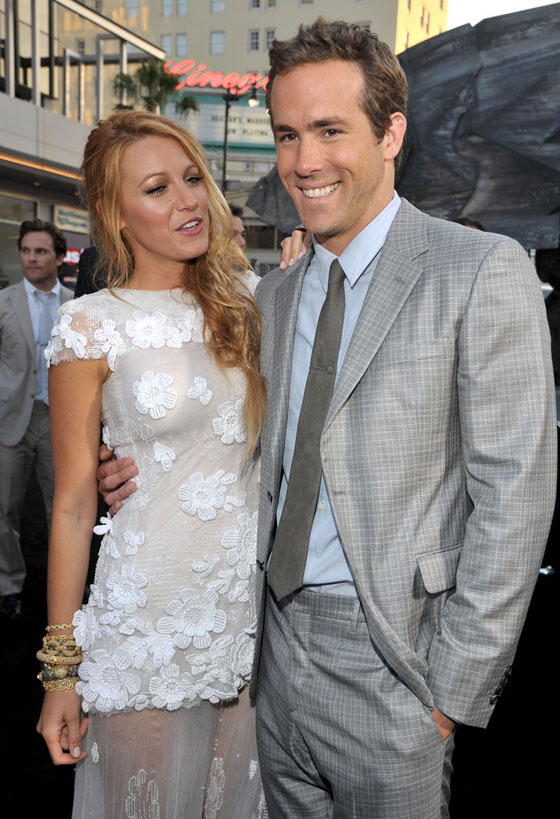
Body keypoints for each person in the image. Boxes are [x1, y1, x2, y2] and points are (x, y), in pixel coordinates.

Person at [99, 19, 556, 819]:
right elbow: (248, 448)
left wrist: (449, 690)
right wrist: (140, 472)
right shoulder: (273, 298)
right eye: (287, 134)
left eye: (330, 130)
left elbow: (515, 495)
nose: (304, 161)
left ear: (391, 134)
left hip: (395, 661)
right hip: (266, 652)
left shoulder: (479, 270)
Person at [36, 110, 267, 819]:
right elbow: (74, 503)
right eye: (157, 188)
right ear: (115, 214)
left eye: (192, 178)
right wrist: (60, 673)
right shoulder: (89, 323)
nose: (187, 200)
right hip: (149, 625)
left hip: (251, 624)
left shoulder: (253, 304)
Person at [0, 220, 72, 619]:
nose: (31, 258)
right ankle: (8, 585)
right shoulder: (4, 301)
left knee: (62, 509)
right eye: (26, 251)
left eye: (40, 251)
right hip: (11, 418)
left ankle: (64, 591)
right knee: (3, 510)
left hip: (60, 421)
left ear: (59, 257)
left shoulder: (76, 304)